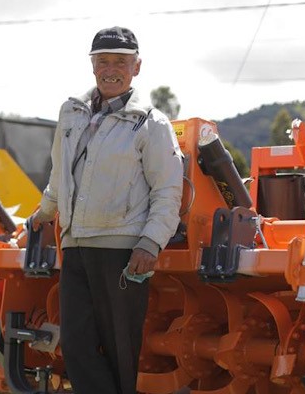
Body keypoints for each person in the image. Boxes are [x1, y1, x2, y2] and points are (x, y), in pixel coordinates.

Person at [31, 26, 183, 394]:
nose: (111, 69)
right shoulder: (71, 113)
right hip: (76, 244)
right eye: (103, 61)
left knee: (120, 350)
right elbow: (60, 171)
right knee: (77, 344)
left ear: (137, 67)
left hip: (123, 251)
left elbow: (167, 188)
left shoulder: (151, 123)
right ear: (93, 65)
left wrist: (150, 243)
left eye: (121, 61)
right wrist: (44, 212)